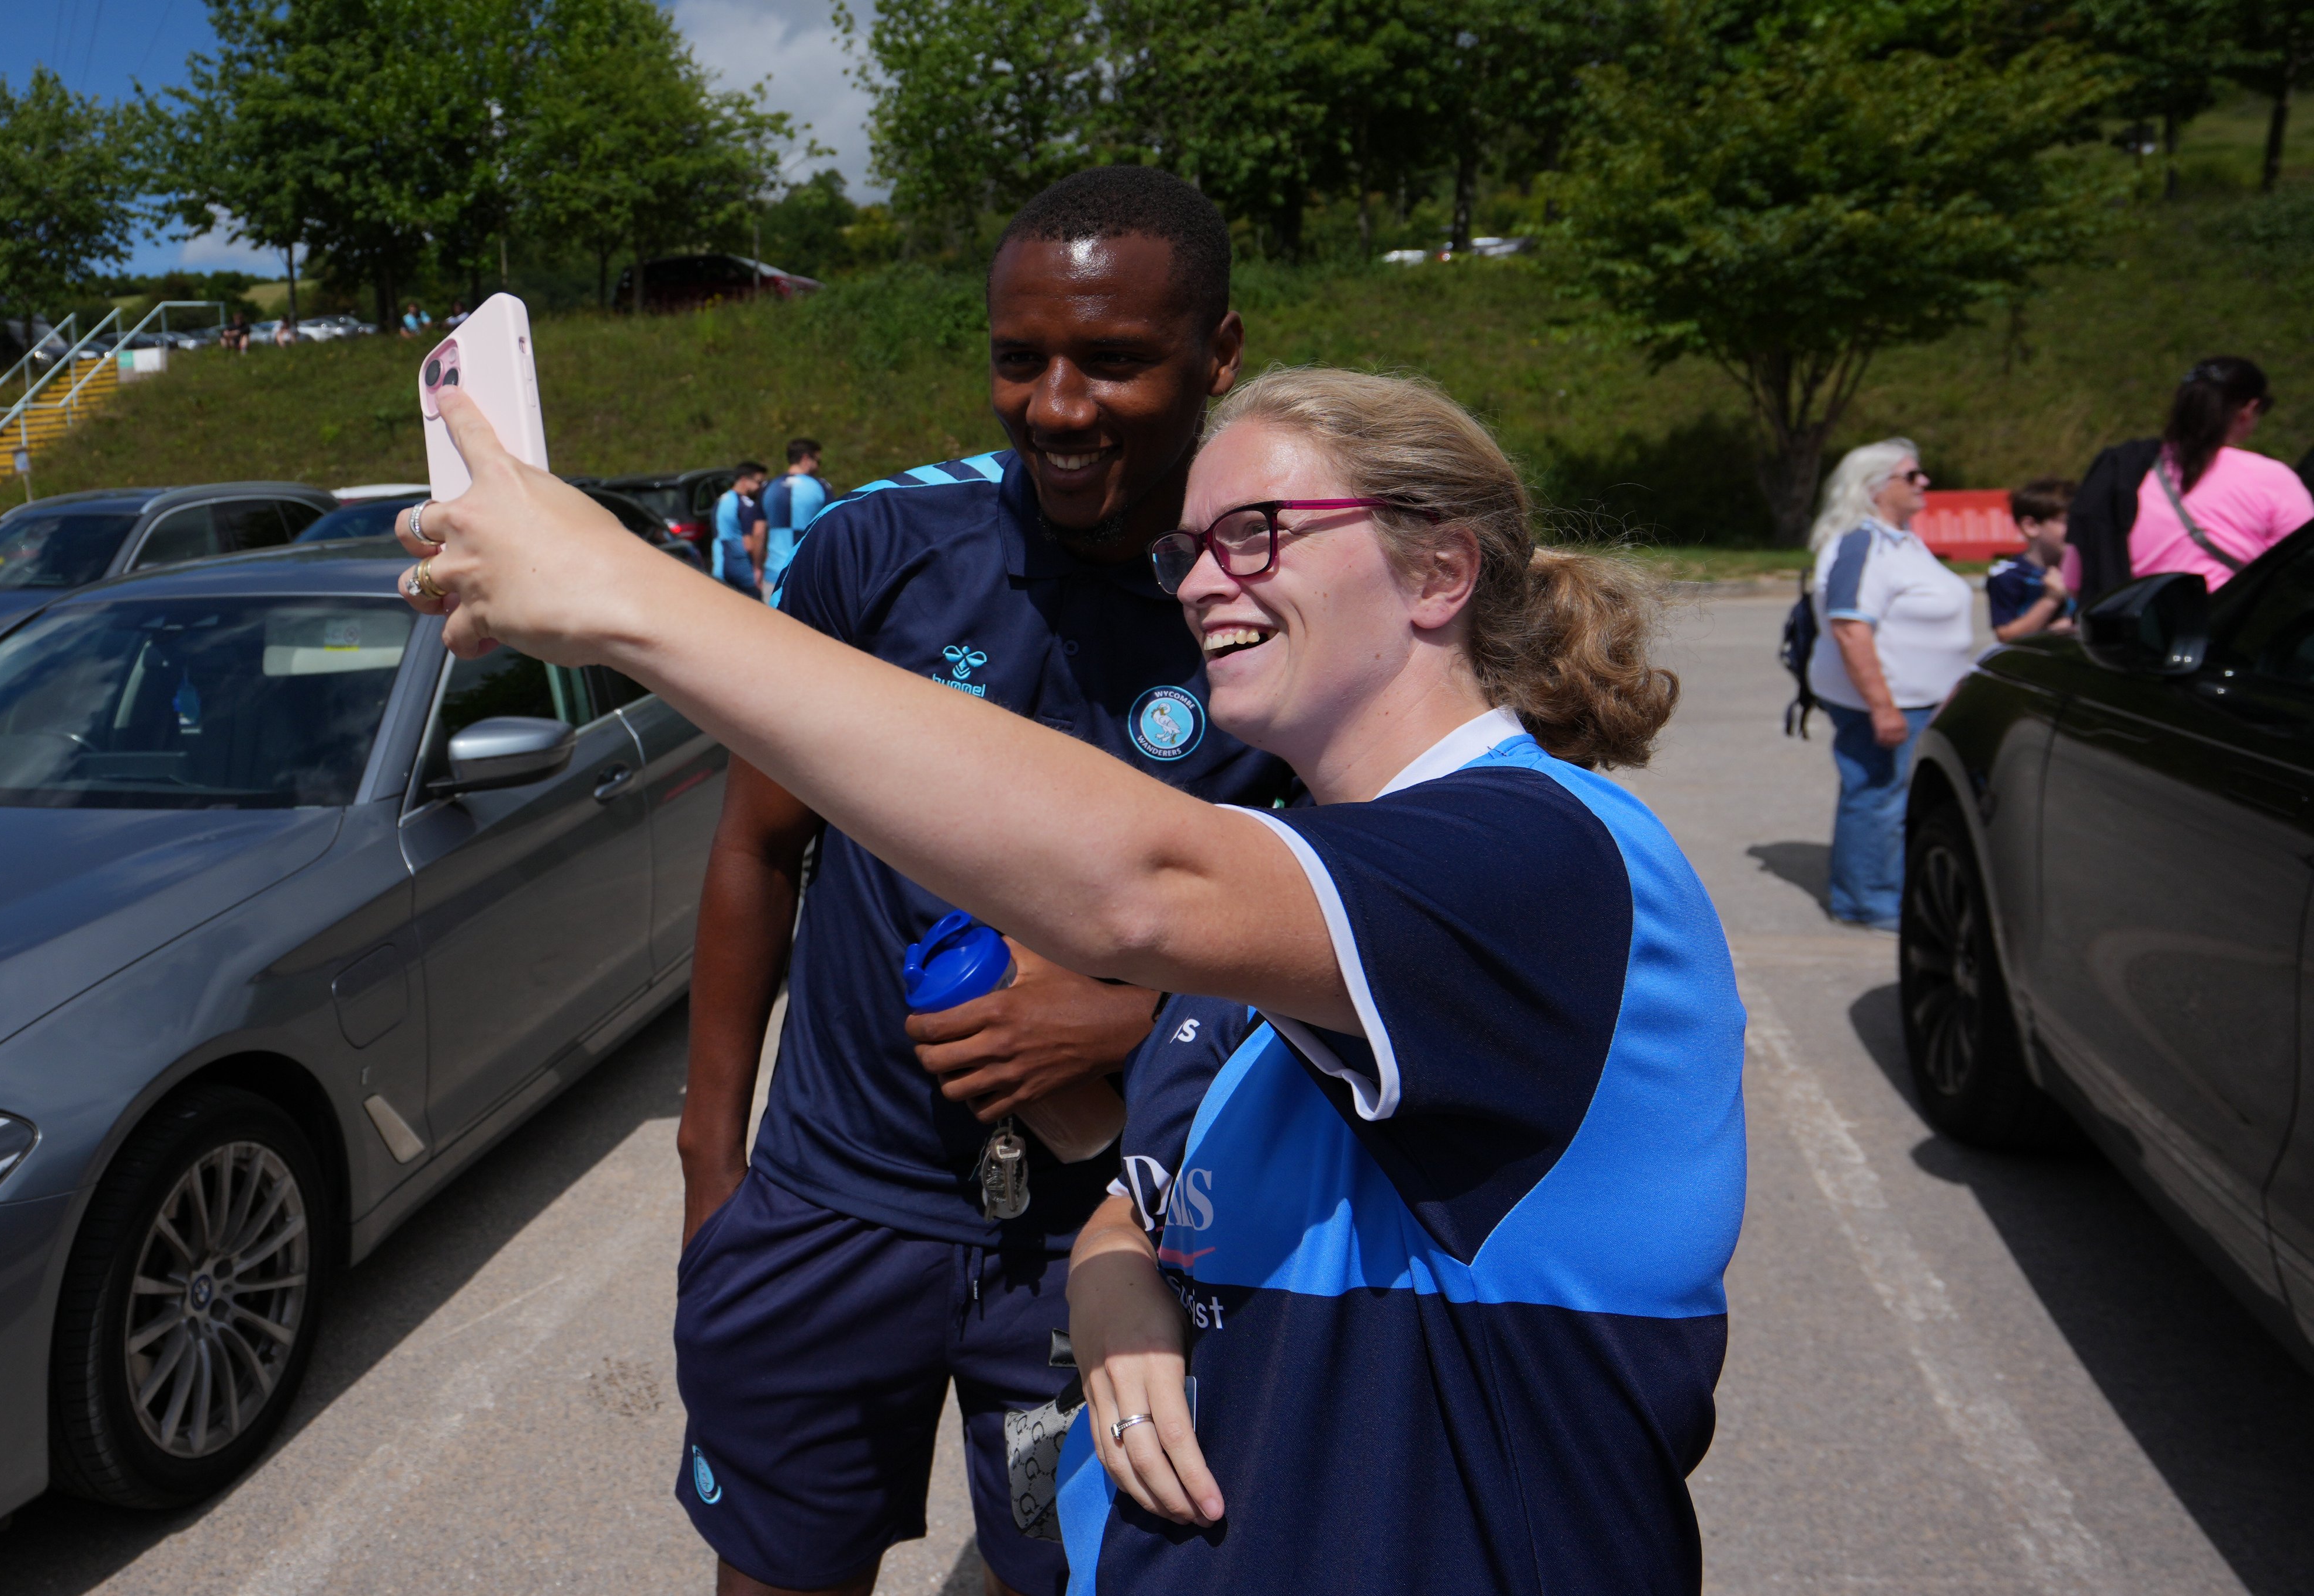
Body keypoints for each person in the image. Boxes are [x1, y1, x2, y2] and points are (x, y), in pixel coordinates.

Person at [390, 361, 1742, 1594]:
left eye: (1254, 533)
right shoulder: (1302, 897)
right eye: (1187, 549)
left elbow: (1135, 882)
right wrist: (1111, 1269)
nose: (1199, 584)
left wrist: (622, 594)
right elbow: (1147, 1181)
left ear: (1437, 568)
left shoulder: (1538, 860)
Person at [693, 166, 1276, 1596]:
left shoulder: (1274, 600)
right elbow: (758, 845)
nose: (1057, 407)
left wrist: (1136, 1024)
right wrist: (714, 1174)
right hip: (831, 1204)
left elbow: (1345, 931)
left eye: (1113, 360)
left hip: (1114, 1235)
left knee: (1075, 1575)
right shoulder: (879, 551)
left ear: (1216, 353)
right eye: (1021, 359)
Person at [1805, 438, 1972, 930]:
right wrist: (1882, 706)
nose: (1925, 482)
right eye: (1912, 475)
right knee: (1877, 797)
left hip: (1919, 699)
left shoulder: (1900, 537)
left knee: (1892, 797)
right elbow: (1850, 627)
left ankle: (1884, 888)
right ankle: (1866, 902)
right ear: (1875, 487)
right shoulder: (1862, 542)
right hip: (1885, 702)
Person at [2069, 357, 2314, 600]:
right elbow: (2302, 570)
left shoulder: (2122, 468)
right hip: (2220, 619)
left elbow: (2075, 579)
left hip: (2130, 620)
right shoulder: (2272, 480)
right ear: (2248, 410)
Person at [1986, 477, 2077, 642]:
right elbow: (2006, 636)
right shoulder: (2008, 576)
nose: (2078, 529)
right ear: (2031, 526)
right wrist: (2050, 600)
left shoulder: (2085, 570)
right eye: (2068, 521)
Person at [759, 437, 829, 601]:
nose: (818, 467)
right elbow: (830, 530)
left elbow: (758, 532)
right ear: (806, 459)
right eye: (818, 461)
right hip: (807, 574)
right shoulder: (821, 486)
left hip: (773, 573)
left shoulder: (768, 487)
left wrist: (757, 567)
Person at [709, 461, 768, 599]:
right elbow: (750, 544)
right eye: (759, 482)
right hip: (740, 569)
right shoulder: (747, 505)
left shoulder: (721, 500)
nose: (760, 488)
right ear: (744, 480)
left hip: (719, 567)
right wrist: (762, 561)